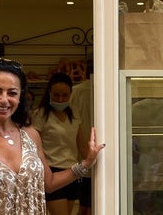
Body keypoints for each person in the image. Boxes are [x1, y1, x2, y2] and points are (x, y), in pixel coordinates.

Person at [0, 57, 105, 214]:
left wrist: (86, 163)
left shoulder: (31, 135)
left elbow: (49, 183)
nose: (4, 99)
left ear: (20, 96)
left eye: (12, 93)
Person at [31, 72, 87, 215]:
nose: (60, 99)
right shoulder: (40, 114)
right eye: (56, 95)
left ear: (70, 94)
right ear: (49, 93)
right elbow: (33, 146)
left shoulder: (74, 114)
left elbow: (81, 145)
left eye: (64, 95)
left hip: (72, 171)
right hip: (51, 171)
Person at [69, 57, 94, 215]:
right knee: (89, 205)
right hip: (87, 157)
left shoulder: (77, 92)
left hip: (82, 156)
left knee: (85, 205)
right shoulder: (112, 88)